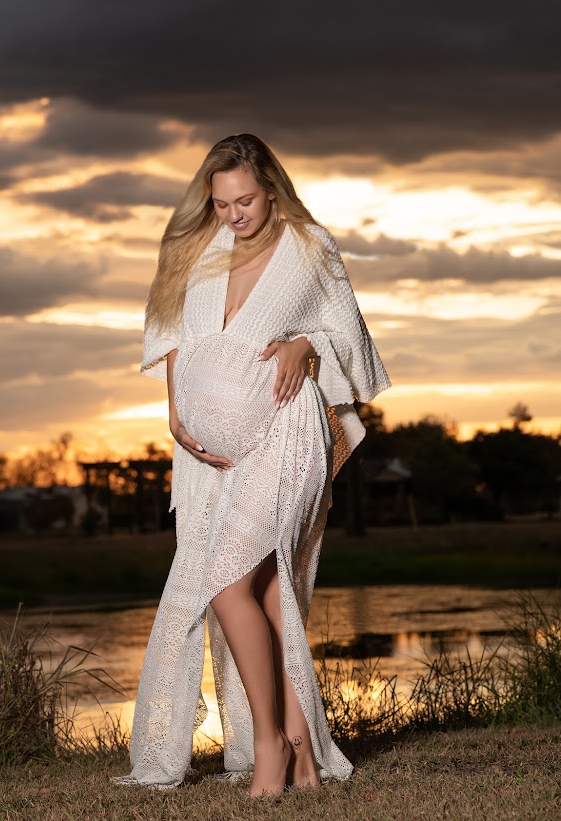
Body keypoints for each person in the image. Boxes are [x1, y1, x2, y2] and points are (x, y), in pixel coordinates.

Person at [112, 134, 391, 797]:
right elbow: (171, 330)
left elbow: (349, 335)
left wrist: (304, 343)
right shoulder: (198, 249)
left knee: (226, 583)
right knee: (268, 590)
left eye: (245, 201)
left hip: (287, 433)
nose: (234, 215)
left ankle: (269, 744)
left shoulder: (309, 247)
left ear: (271, 189)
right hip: (216, 454)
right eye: (221, 203)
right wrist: (177, 409)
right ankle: (300, 746)